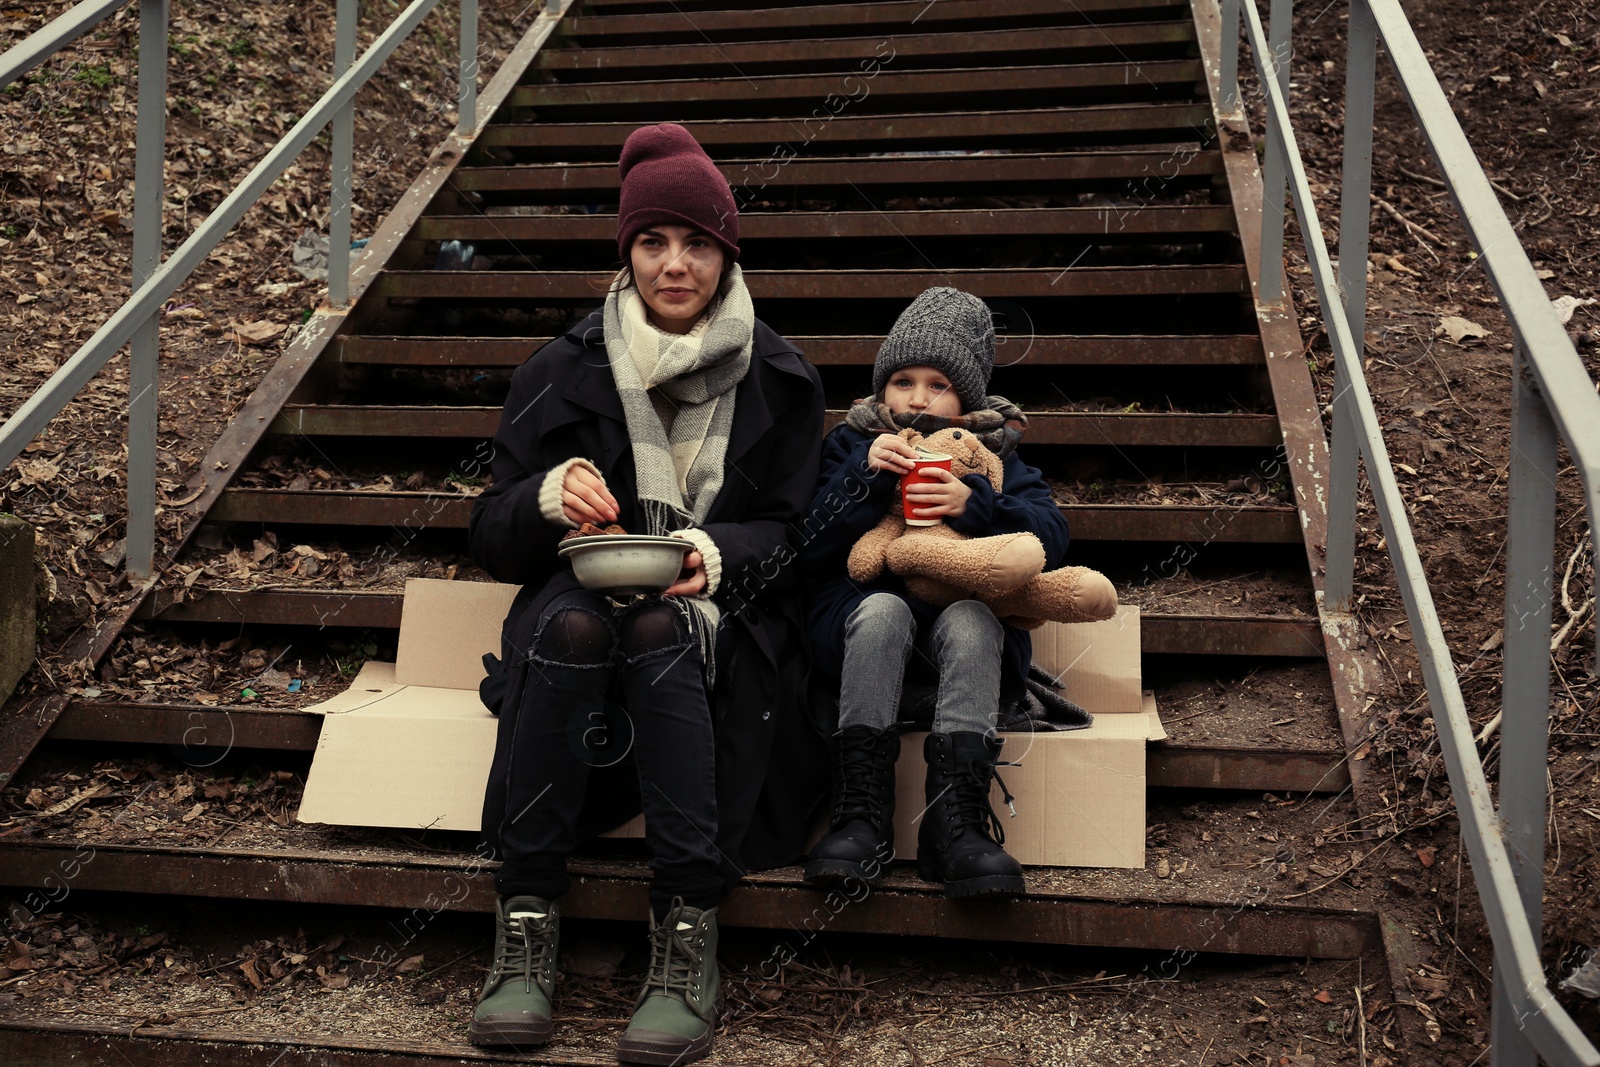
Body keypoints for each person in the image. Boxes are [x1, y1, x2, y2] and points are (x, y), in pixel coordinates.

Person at [465, 123, 827, 1065]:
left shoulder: (782, 381)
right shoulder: (559, 370)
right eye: (654, 242)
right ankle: (527, 923)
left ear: (726, 252)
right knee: (580, 625)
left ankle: (687, 935)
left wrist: (716, 548)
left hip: (716, 623)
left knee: (663, 625)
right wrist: (546, 500)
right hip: (576, 611)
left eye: (698, 242)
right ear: (627, 252)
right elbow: (492, 530)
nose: (677, 263)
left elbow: (799, 534)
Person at [799, 287, 1071, 900]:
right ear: (880, 389)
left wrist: (977, 504)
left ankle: (957, 823)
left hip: (955, 650)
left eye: (937, 384)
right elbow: (808, 547)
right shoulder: (850, 444)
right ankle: (860, 816)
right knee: (885, 607)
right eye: (902, 380)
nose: (917, 398)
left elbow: (1051, 537)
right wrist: (864, 478)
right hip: (862, 637)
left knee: (975, 616)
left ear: (965, 399)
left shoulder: (995, 455)